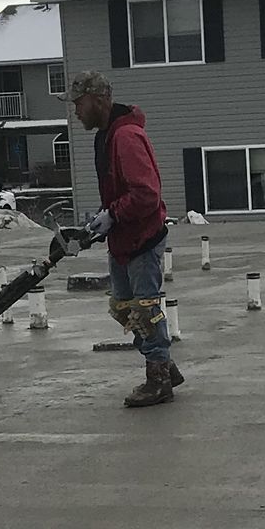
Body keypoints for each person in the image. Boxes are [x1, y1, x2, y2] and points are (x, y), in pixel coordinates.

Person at [67, 72, 184, 408]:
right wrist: (104, 220)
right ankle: (165, 366)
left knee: (145, 310)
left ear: (99, 100)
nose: (75, 111)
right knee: (123, 308)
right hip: (122, 239)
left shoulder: (127, 137)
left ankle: (158, 379)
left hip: (142, 238)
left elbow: (147, 194)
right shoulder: (106, 136)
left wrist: (114, 214)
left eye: (79, 102)